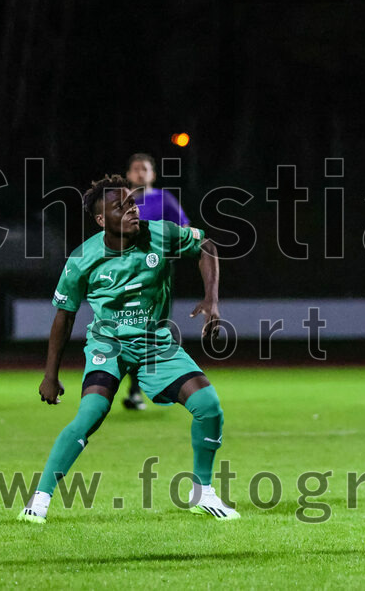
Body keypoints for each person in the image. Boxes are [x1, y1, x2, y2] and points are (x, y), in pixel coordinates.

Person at [19, 175, 237, 523]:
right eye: (120, 207)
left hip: (154, 343)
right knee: (90, 415)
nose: (132, 210)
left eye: (132, 203)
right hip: (109, 343)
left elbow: (206, 246)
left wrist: (211, 299)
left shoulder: (161, 235)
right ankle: (39, 499)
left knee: (209, 407)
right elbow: (64, 318)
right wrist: (50, 375)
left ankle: (203, 493)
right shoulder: (82, 259)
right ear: (102, 220)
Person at [122, 153, 191, 410]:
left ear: (153, 175)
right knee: (130, 329)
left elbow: (184, 229)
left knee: (157, 329)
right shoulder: (121, 200)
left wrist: (167, 253)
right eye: (136, 169)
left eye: (145, 169)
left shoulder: (163, 199)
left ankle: (155, 385)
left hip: (157, 275)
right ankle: (134, 388)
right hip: (126, 274)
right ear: (128, 174)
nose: (140, 173)